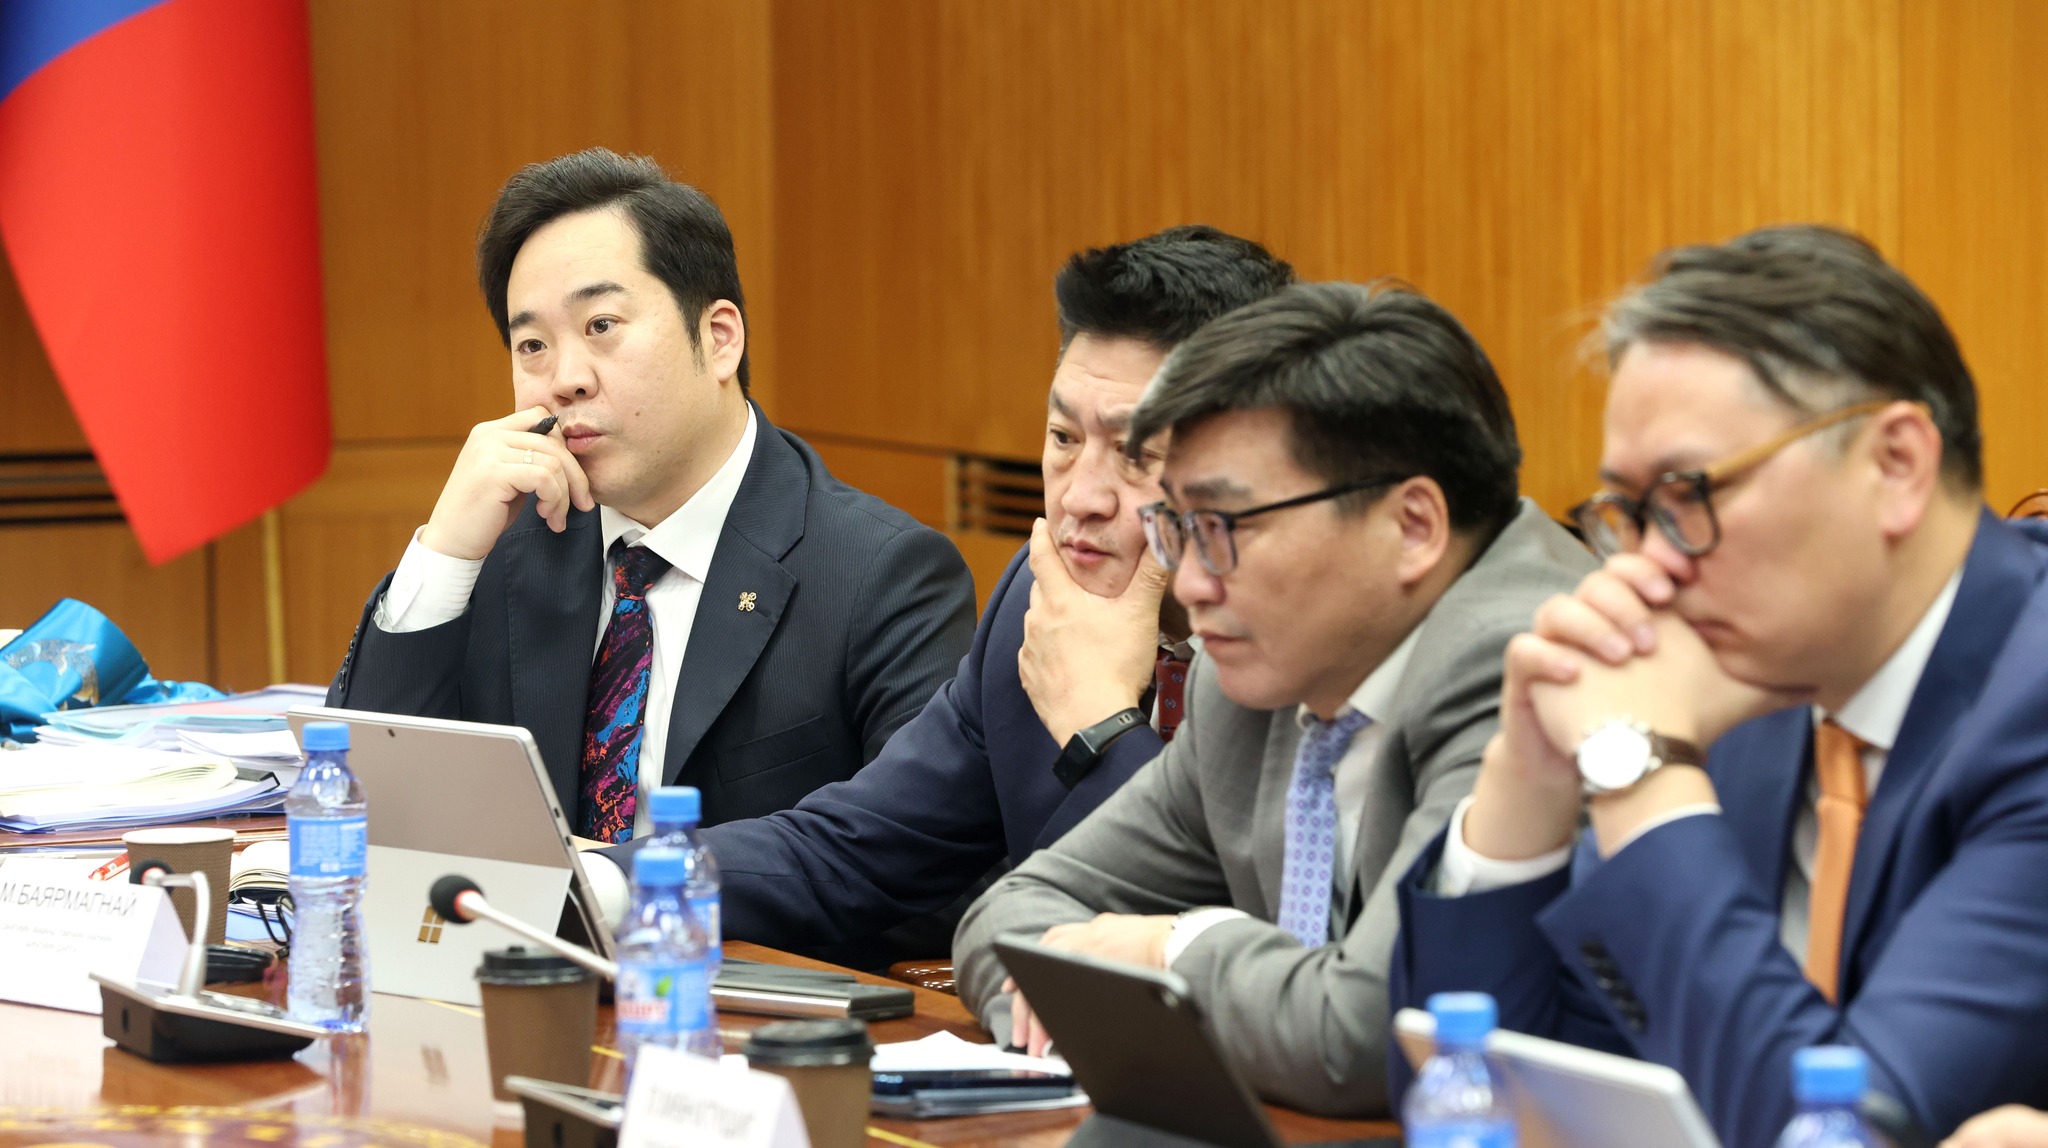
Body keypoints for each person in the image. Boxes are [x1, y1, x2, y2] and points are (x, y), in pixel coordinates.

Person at [1388, 226, 2048, 1147]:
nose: (1647, 565)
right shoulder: (1748, 679)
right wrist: (1525, 782)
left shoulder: (2030, 706)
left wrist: (1640, 768)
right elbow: (1472, 1101)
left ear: (1896, 464)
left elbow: (1840, 1128)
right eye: (1628, 511)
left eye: (1688, 495)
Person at [953, 280, 1598, 1117]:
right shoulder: (1253, 671)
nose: (1190, 584)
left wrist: (1172, 949)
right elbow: (1007, 919)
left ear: (1412, 526)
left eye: (1223, 530)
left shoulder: (1521, 662)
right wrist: (1086, 996)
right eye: (1177, 530)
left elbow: (1363, 1039)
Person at [604, 225, 1291, 967]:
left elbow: (1233, 953)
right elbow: (857, 847)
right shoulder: (1042, 597)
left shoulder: (1307, 647)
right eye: (1063, 438)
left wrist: (1100, 726)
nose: (1079, 499)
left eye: (1135, 453)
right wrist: (603, 886)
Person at [327, 148, 976, 838]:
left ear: (718, 339)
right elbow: (363, 804)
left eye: (601, 326)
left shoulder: (882, 576)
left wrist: (620, 880)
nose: (566, 379)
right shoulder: (508, 549)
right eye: (532, 346)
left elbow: (910, 846)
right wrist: (446, 554)